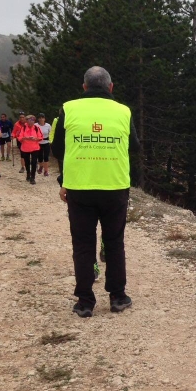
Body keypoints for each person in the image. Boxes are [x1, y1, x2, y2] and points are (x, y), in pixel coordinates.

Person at [51, 66, 140, 318]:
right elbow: (134, 146)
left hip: (80, 188)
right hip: (115, 186)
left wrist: (65, 178)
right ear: (110, 87)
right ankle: (118, 297)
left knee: (83, 244)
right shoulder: (123, 111)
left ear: (84, 87)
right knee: (114, 242)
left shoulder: (68, 108)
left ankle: (85, 301)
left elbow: (57, 149)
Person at [17, 115, 43, 183]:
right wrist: (25, 138)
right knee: (27, 162)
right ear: (27, 121)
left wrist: (35, 139)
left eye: (33, 120)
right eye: (29, 120)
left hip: (35, 148)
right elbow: (19, 138)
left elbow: (40, 137)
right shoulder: (23, 128)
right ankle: (28, 174)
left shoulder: (37, 128)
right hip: (25, 148)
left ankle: (32, 177)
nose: (31, 122)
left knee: (34, 162)